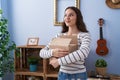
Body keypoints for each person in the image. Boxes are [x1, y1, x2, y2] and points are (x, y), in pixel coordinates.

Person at [39, 6, 91, 80]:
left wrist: (58, 62)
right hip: (62, 75)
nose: (67, 17)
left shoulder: (84, 35)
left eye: (71, 15)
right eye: (65, 15)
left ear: (78, 17)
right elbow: (41, 52)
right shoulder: (59, 36)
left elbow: (83, 53)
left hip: (79, 75)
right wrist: (52, 52)